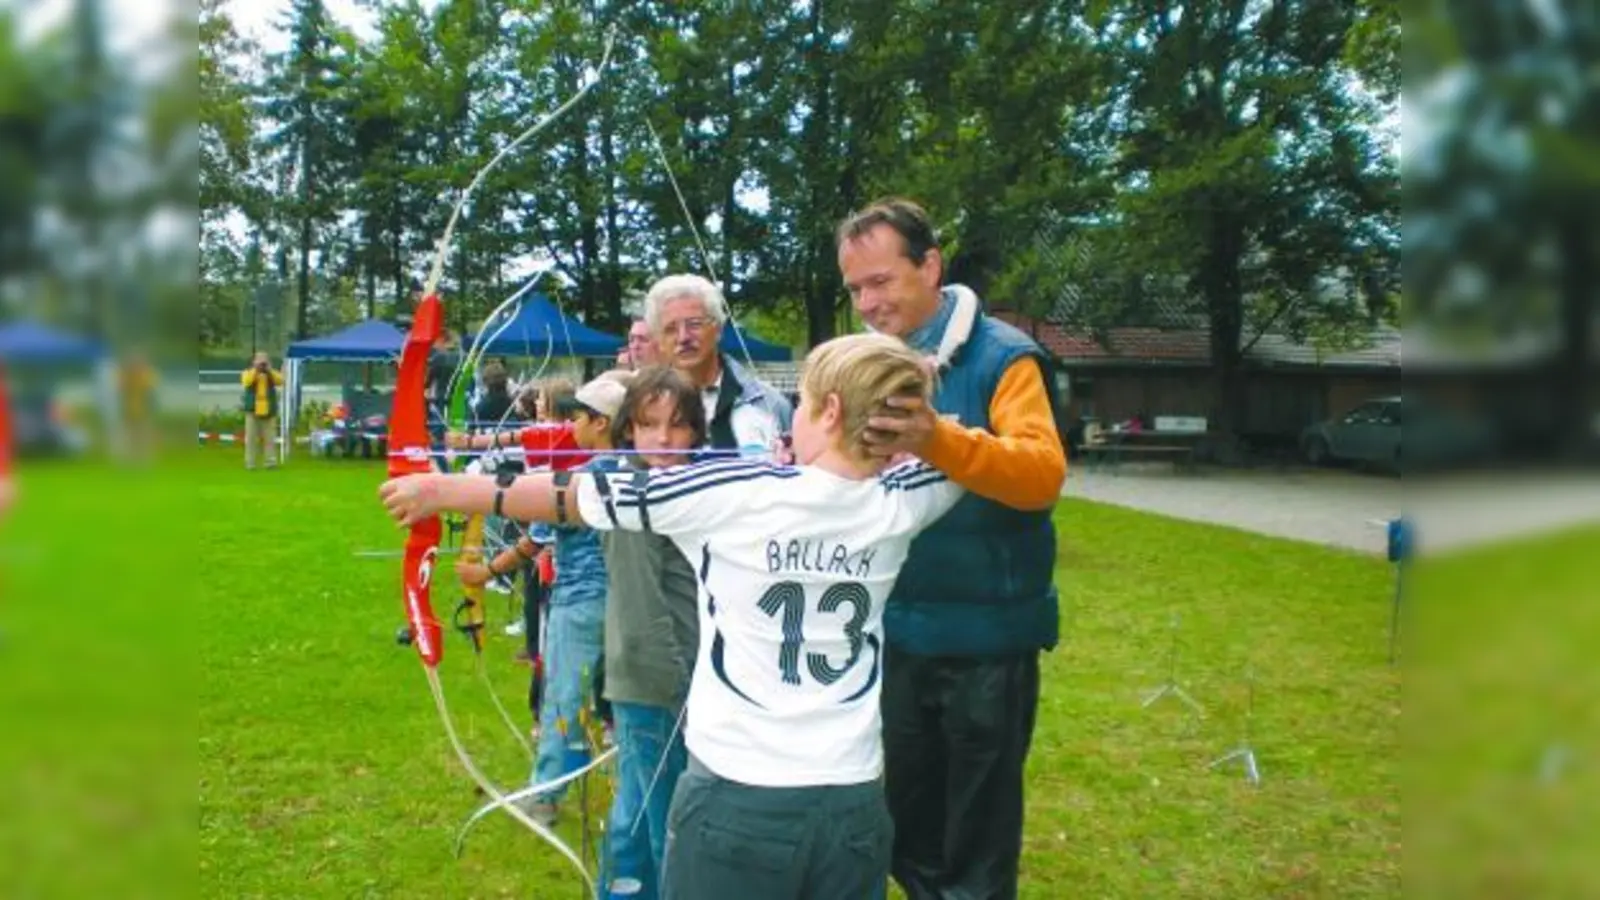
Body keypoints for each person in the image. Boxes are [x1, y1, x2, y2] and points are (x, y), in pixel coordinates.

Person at [379, 332, 967, 900]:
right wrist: (914, 424)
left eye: (806, 405)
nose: (795, 418)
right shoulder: (906, 499)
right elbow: (965, 449)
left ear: (832, 411)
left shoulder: (731, 488)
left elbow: (573, 494)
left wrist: (440, 491)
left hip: (737, 799)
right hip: (854, 802)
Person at [836, 197, 1068, 900]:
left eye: (881, 281)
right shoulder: (868, 366)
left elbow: (1042, 477)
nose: (869, 302)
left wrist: (936, 437)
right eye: (855, 290)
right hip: (894, 635)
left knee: (976, 840)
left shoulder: (1002, 357)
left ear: (930, 265)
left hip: (985, 645)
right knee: (906, 829)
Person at [642, 274, 792, 453]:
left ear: (718, 329)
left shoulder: (768, 403)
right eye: (670, 329)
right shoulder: (641, 404)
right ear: (658, 340)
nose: (683, 337)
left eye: (694, 324)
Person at [239, 351, 284, 470]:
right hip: (252, 410)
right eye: (259, 360)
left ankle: (270, 462)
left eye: (264, 360)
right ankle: (250, 463)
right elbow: (247, 382)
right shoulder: (248, 372)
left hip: (269, 410)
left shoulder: (272, 373)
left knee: (270, 438)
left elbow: (280, 381)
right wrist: (256, 369)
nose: (262, 363)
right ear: (254, 361)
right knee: (251, 438)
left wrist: (269, 370)